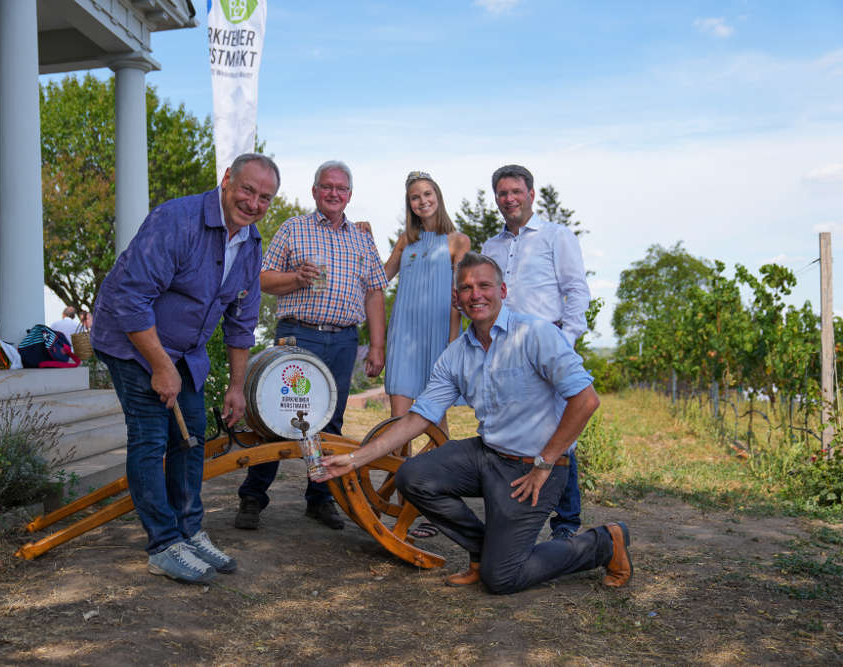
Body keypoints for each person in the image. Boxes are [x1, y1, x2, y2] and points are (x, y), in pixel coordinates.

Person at [318, 252, 632, 594]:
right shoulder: (456, 353)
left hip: (533, 467)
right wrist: (353, 459)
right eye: (466, 288)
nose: (475, 294)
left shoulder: (535, 334)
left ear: (503, 290)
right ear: (457, 298)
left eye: (484, 285)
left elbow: (586, 401)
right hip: (488, 455)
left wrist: (545, 463)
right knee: (414, 475)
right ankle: (483, 551)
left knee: (502, 579)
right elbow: (419, 417)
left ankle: (603, 543)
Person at [91, 153, 279, 585]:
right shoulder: (176, 220)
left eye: (264, 197)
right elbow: (131, 299)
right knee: (152, 438)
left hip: (184, 352)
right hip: (130, 340)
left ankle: (190, 531)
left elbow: (241, 321)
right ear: (227, 179)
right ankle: (163, 544)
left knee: (192, 438)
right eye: (247, 190)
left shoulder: (250, 244)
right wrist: (160, 366)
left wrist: (236, 386)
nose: (253, 203)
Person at [235, 160, 388, 531]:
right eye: (327, 186)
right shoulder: (293, 229)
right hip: (298, 334)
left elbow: (374, 293)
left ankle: (321, 500)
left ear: (349, 194)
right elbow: (261, 279)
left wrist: (378, 346)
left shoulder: (362, 238)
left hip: (343, 338)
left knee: (330, 423)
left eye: (341, 188)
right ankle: (253, 498)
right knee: (276, 415)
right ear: (315, 191)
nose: (334, 193)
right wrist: (294, 277)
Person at [482, 164, 592, 542]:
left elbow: (577, 291)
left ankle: (566, 525)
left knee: (560, 431)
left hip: (547, 349)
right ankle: (517, 516)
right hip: (505, 352)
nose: (509, 199)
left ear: (531, 194)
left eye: (515, 191)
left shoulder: (556, 236)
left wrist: (567, 340)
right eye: (502, 193)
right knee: (514, 432)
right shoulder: (490, 248)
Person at [382, 171, 469, 539]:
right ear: (410, 205)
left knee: (435, 425)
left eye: (428, 194)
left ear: (438, 197)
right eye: (415, 197)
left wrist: (452, 344)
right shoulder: (406, 241)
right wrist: (360, 236)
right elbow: (379, 277)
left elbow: (458, 295)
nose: (422, 201)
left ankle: (436, 506)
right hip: (403, 336)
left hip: (439, 339)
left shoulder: (458, 241)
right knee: (399, 422)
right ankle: (403, 511)